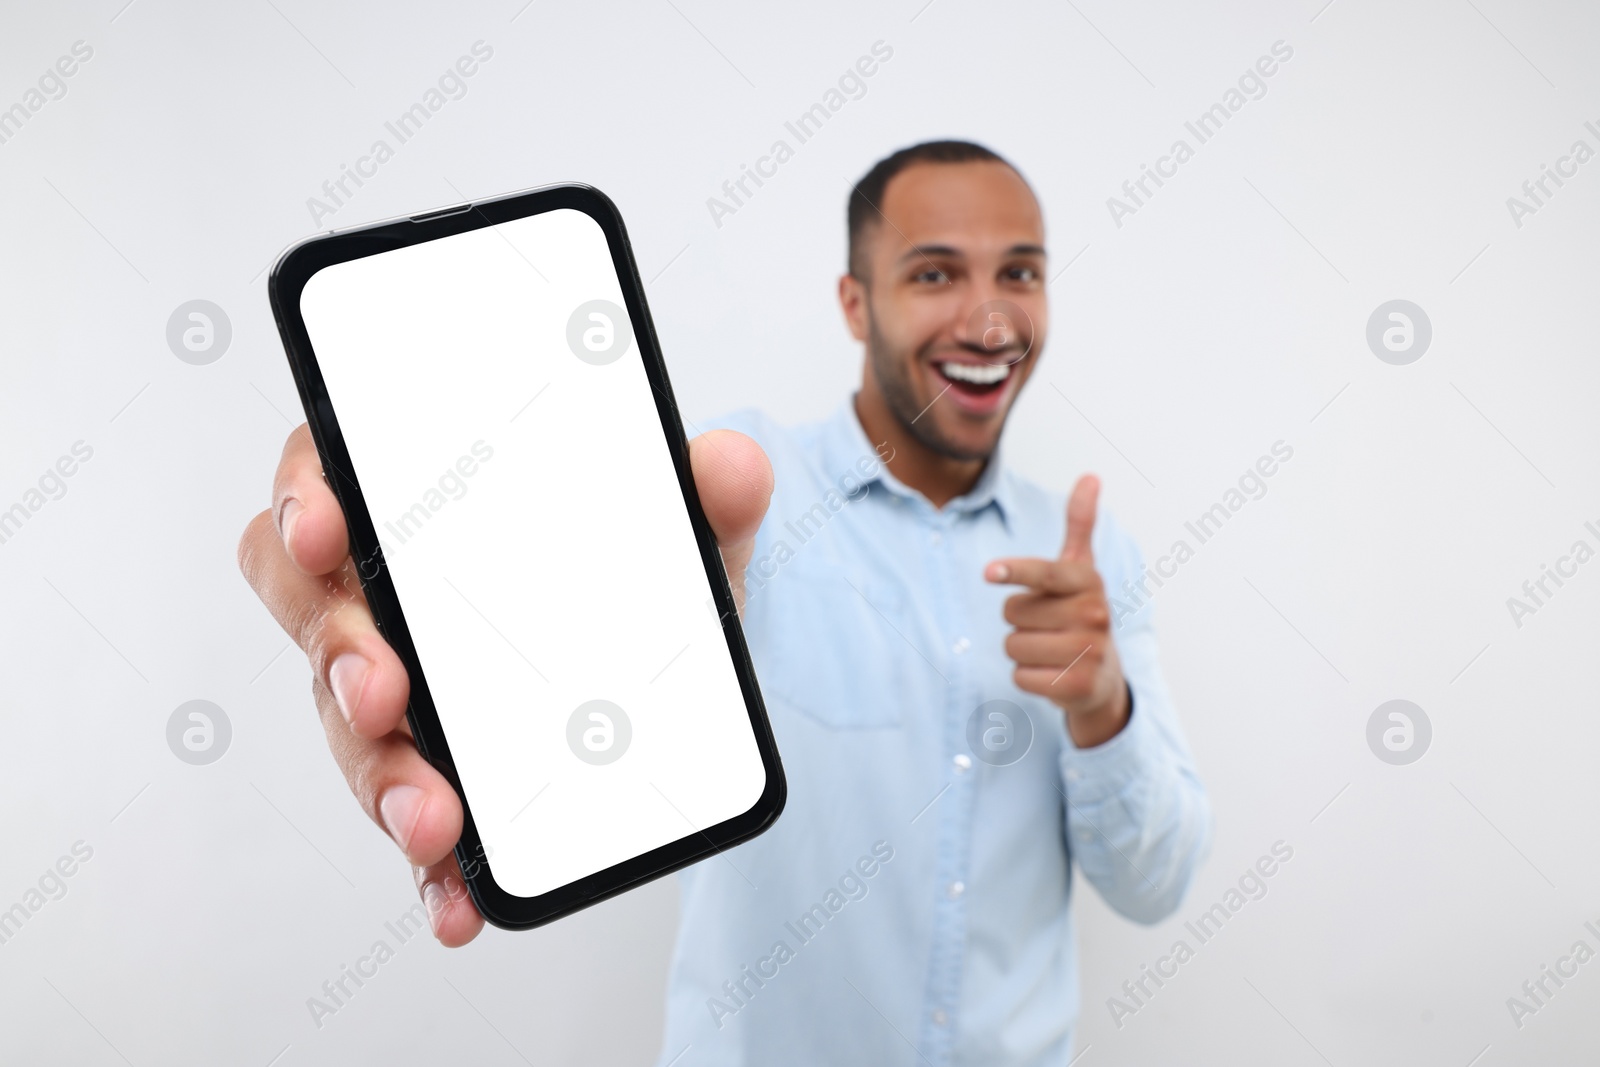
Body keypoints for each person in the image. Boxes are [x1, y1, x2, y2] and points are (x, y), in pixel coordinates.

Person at [238, 140, 1211, 1065]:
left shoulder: (1083, 553)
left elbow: (1154, 883)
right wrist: (438, 503)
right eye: (934, 273)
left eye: (1021, 273)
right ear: (854, 302)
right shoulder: (732, 489)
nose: (991, 318)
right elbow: (575, 559)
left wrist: (1101, 708)